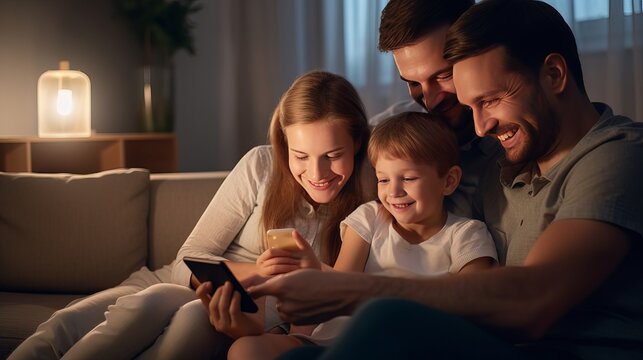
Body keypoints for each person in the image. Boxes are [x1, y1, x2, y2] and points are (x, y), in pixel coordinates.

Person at [249, 1, 643, 358]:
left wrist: (348, 293)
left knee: (384, 322)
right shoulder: (499, 165)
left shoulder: (618, 154)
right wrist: (317, 275)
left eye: (489, 101)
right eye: (470, 105)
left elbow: (532, 299)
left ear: (554, 74)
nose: (480, 125)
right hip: (486, 342)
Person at [9, 71, 373, 359]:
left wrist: (261, 290)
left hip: (239, 315)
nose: (317, 172)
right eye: (301, 156)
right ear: (284, 145)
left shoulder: (372, 196)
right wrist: (256, 273)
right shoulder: (261, 165)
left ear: (357, 142)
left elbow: (327, 307)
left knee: (186, 324)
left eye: (332, 154)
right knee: (63, 327)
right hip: (176, 283)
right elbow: (187, 260)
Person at [223, 111, 497, 360]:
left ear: (448, 181)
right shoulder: (370, 217)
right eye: (383, 179)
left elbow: (475, 301)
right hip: (331, 338)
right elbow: (341, 284)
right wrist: (313, 268)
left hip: (400, 345)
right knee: (246, 349)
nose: (394, 192)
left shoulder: (466, 234)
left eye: (409, 179)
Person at [374, 0, 500, 219]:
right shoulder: (380, 136)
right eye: (413, 83)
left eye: (443, 75)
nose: (431, 102)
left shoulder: (516, 141)